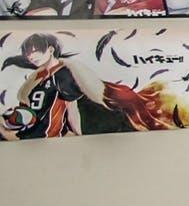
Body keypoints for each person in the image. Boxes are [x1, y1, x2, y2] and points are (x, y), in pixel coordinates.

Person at [0, 32, 178, 138]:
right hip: (36, 131)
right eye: (28, 54)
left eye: (36, 52)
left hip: (50, 132)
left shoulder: (63, 72)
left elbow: (71, 108)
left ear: (50, 49)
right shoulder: (37, 76)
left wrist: (79, 135)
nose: (32, 57)